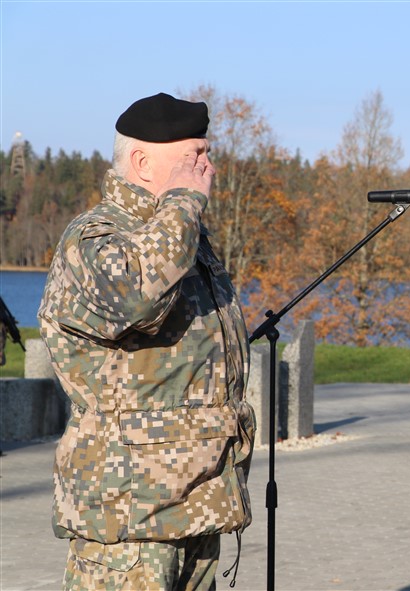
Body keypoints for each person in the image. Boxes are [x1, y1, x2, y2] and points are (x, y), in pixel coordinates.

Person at [38, 93, 256, 590]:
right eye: (193, 157)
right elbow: (135, 297)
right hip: (130, 518)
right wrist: (183, 201)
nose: (207, 169)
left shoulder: (182, 236)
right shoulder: (95, 238)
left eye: (206, 155)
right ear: (141, 163)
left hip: (195, 505)